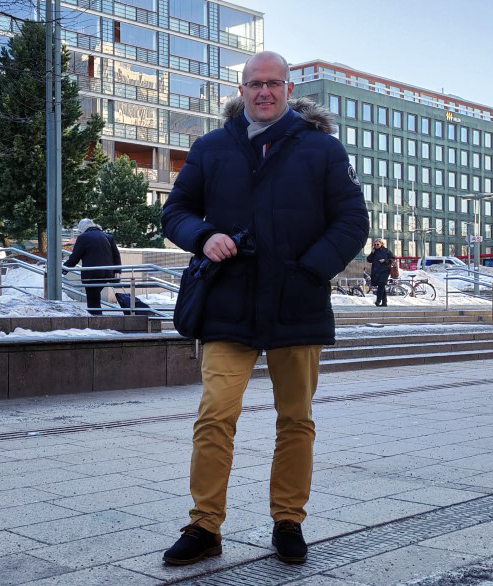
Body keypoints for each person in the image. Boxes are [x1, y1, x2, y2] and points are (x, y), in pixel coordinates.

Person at [159, 51, 369, 566]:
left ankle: (288, 521)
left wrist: (309, 270)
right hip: (227, 304)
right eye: (254, 84)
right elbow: (176, 211)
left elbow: (351, 221)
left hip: (296, 305)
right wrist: (203, 236)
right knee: (215, 416)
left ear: (288, 88)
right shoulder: (211, 147)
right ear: (241, 90)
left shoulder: (321, 148)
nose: (264, 92)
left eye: (273, 83)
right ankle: (204, 526)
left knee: (295, 419)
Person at [63, 218, 121, 316]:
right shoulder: (107, 236)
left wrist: (64, 269)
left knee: (93, 300)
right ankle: (97, 318)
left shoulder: (83, 237)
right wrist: (117, 271)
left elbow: (75, 257)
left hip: (92, 274)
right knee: (95, 297)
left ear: (82, 229)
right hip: (107, 273)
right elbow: (116, 255)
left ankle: (96, 319)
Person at [367, 239, 395, 307]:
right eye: (375, 244)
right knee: (381, 286)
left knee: (381, 284)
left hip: (385, 270)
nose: (376, 246)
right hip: (376, 271)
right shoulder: (374, 251)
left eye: (378, 244)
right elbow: (369, 260)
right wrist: (372, 253)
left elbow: (392, 259)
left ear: (381, 244)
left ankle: (378, 300)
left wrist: (385, 261)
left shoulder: (386, 250)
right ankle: (384, 302)